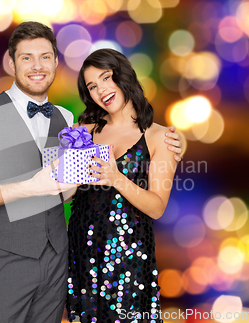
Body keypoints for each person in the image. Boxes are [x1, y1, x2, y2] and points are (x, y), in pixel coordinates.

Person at [0, 22, 182, 323]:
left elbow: (73, 187)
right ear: (11, 62)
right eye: (26, 57)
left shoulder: (65, 120)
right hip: (32, 259)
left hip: (87, 261)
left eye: (45, 56)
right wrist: (33, 187)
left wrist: (172, 145)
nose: (37, 66)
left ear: (56, 62)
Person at [66, 49, 179, 323]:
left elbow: (157, 207)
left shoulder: (159, 137)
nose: (101, 90)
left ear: (123, 76)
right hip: (83, 254)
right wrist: (64, 164)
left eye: (106, 78)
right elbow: (67, 194)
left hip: (129, 260)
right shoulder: (83, 131)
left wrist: (116, 178)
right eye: (92, 86)